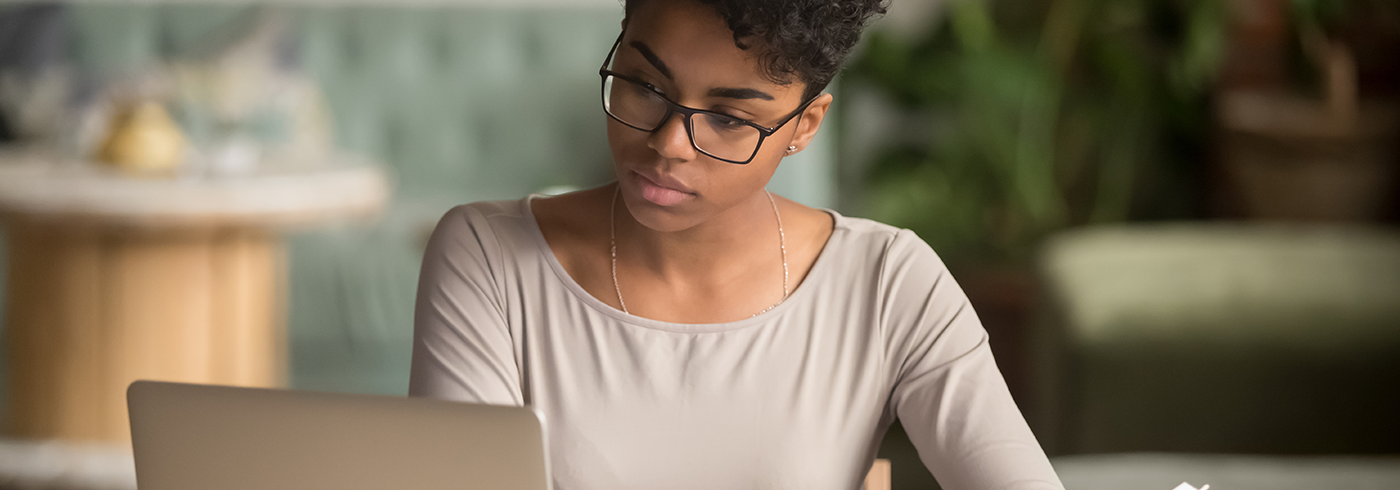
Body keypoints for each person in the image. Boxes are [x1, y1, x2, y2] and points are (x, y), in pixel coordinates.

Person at [409, 0, 1064, 488]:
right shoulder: (487, 257)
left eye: (726, 119)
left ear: (805, 125)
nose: (666, 145)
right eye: (643, 86)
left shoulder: (888, 283)